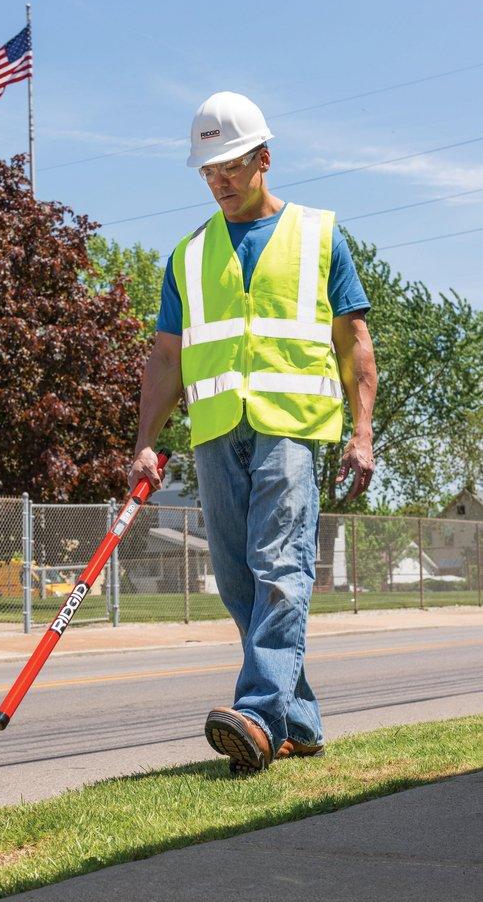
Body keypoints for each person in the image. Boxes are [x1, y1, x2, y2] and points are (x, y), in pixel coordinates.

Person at [128, 91, 378, 775]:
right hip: (214, 430)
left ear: (263, 158)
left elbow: (352, 339)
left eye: (231, 165)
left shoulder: (318, 234)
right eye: (208, 169)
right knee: (238, 582)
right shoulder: (187, 256)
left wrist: (360, 432)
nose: (219, 180)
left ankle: (259, 712)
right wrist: (145, 441)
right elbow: (165, 358)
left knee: (279, 568)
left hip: (291, 427)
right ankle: (297, 721)